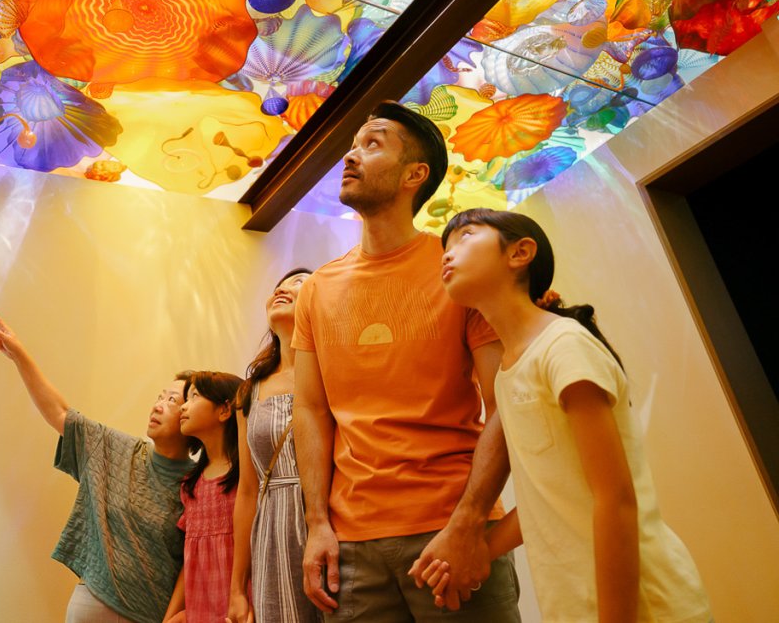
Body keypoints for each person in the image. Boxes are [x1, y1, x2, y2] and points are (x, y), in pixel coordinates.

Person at [421, 208, 712, 622]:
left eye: (465, 236)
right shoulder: (507, 374)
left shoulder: (563, 346)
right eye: (444, 248)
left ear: (520, 253)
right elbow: (549, 499)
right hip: (574, 603)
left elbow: (615, 499)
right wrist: (475, 549)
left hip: (645, 604)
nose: (448, 254)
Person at [292, 101, 522, 622]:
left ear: (414, 175)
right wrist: (317, 525)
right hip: (349, 546)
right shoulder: (317, 289)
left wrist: (469, 523)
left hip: (450, 528)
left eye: (372, 143)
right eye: (354, 144)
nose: (351, 155)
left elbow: (507, 402)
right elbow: (310, 410)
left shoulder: (460, 273)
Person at [0, 312, 194, 623]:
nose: (158, 405)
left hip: (152, 615)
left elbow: (196, 562)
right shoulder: (117, 450)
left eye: (172, 400)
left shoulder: (199, 482)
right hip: (92, 605)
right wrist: (18, 355)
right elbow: (60, 412)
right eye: (158, 397)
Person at [228, 268, 322, 623]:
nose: (282, 290)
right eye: (278, 287)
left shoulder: (333, 371)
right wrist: (237, 587)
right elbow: (248, 491)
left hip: (327, 520)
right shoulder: (249, 391)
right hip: (272, 531)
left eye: (298, 284)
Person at [165, 371, 244, 623]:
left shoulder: (246, 479)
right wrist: (171, 615)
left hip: (239, 609)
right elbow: (191, 559)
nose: (183, 407)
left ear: (225, 410)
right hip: (200, 612)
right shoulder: (191, 485)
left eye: (194, 396)